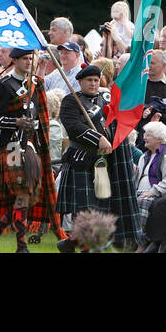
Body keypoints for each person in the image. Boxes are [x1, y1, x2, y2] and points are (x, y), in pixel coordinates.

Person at [54, 64, 139, 251]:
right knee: (86, 212)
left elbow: (117, 122)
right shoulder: (71, 101)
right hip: (81, 162)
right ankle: (84, 247)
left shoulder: (106, 98)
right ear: (80, 82)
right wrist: (98, 138)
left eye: (95, 80)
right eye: (89, 80)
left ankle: (71, 243)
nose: (93, 84)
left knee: (100, 211)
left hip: (106, 163)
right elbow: (74, 127)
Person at [0, 48, 61, 253]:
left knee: (27, 195)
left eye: (31, 58)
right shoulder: (4, 85)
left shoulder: (35, 84)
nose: (29, 62)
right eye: (25, 59)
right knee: (21, 193)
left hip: (30, 147)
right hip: (11, 147)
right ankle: (21, 245)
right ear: (15, 60)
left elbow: (40, 117)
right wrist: (17, 121)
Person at [134, 121, 166, 252]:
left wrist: (153, 191)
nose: (144, 137)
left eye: (148, 135)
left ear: (159, 139)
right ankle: (128, 241)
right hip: (140, 192)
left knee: (142, 201)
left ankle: (141, 244)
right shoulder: (144, 156)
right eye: (144, 134)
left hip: (159, 195)